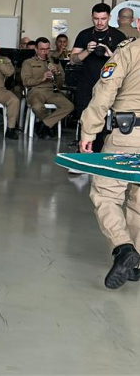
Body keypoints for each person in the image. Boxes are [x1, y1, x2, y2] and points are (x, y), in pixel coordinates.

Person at [79, 28, 140, 289]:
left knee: (105, 193)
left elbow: (105, 91)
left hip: (129, 136)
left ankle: (123, 248)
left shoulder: (129, 50)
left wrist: (88, 130)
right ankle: (136, 265)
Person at [70, 3, 126, 151]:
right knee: (84, 118)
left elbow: (125, 64)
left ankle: (99, 153)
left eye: (103, 19)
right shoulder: (84, 35)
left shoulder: (119, 36)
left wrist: (110, 54)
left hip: (109, 86)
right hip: (86, 84)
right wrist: (87, 51)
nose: (99, 22)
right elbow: (73, 59)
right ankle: (82, 152)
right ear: (92, 17)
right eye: (96, 19)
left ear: (109, 17)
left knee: (105, 120)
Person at [22, 37, 73, 138]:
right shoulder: (28, 62)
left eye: (47, 49)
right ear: (36, 49)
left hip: (52, 91)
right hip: (35, 91)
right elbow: (26, 82)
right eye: (42, 49)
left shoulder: (54, 61)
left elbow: (60, 84)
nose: (45, 52)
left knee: (69, 106)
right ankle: (50, 126)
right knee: (37, 107)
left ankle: (44, 125)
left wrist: (57, 73)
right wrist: (42, 78)